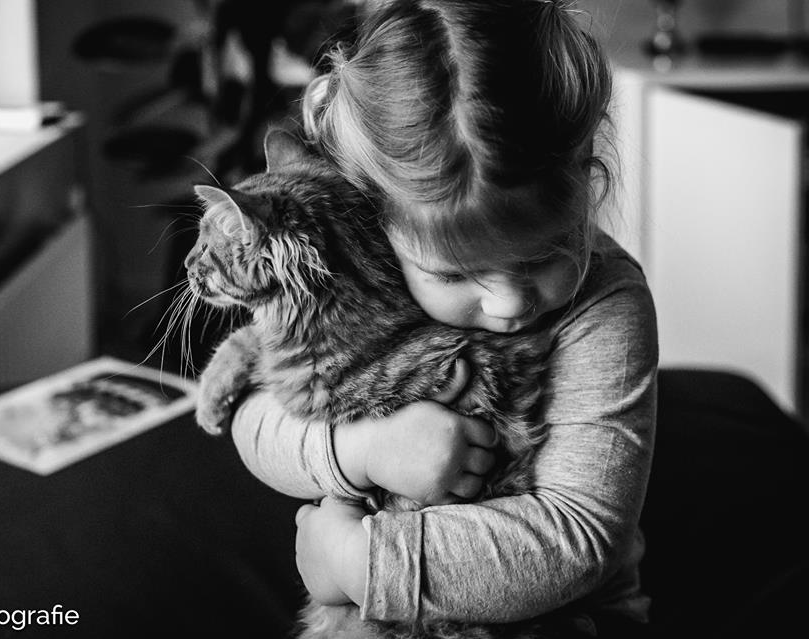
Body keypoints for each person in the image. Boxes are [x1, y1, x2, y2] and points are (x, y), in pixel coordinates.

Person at [229, 1, 657, 637]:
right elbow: (255, 422)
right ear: (370, 220)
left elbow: (577, 538)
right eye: (454, 276)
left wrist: (353, 561)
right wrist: (364, 451)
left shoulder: (607, 304)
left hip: (566, 619)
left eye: (543, 255)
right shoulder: (351, 267)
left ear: (585, 178)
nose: (509, 303)